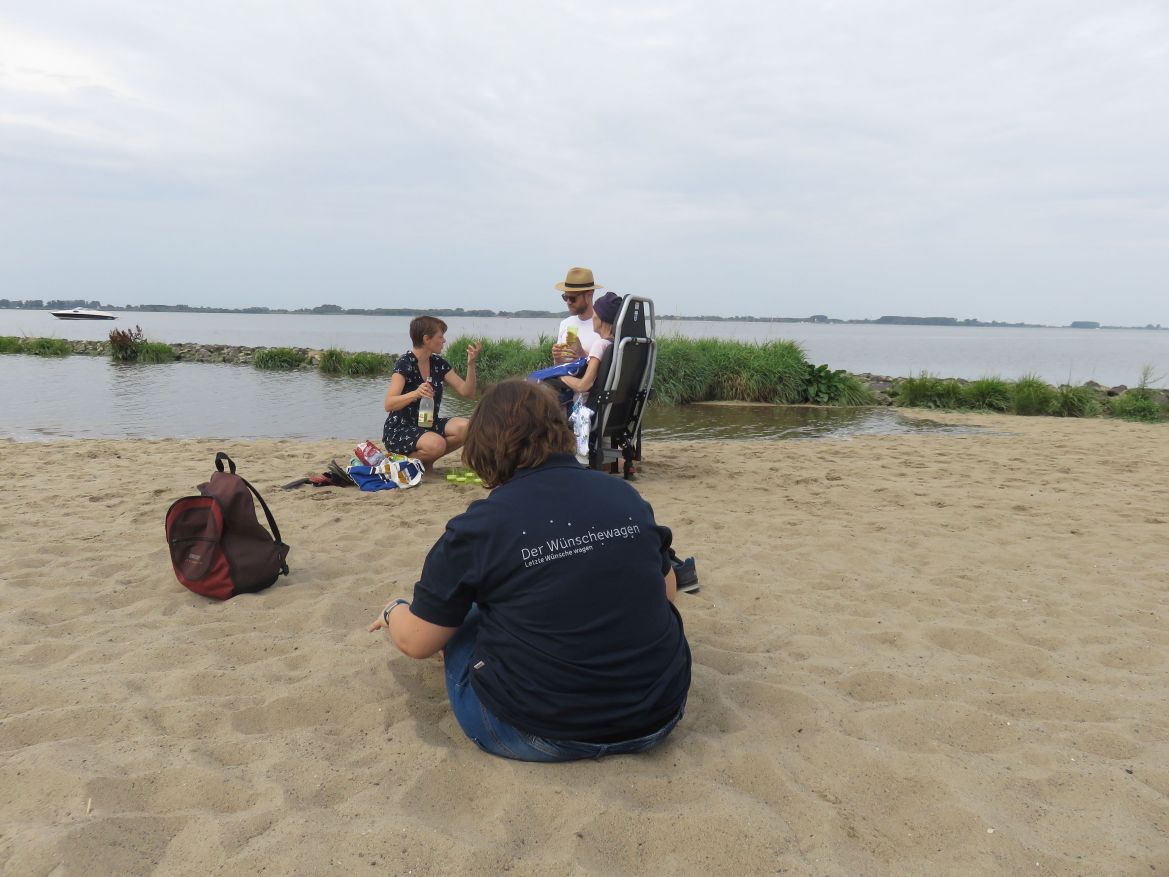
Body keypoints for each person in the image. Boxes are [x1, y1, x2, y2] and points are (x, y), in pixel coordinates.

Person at [367, 379, 691, 762]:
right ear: (561, 431)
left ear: (484, 446)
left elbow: (418, 642)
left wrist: (394, 611)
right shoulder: (623, 496)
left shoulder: (480, 526)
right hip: (658, 713)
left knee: (467, 617)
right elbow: (667, 589)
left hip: (537, 730)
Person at [382, 316, 481, 468]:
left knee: (468, 427)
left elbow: (467, 392)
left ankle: (425, 461)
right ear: (427, 339)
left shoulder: (438, 363)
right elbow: (389, 404)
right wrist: (416, 393)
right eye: (440, 337)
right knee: (437, 444)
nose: (444, 341)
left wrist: (471, 365)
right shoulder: (405, 363)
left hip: (428, 423)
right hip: (401, 428)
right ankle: (403, 463)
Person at [560, 290, 621, 399]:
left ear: (601, 319)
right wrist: (581, 353)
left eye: (594, 313)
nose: (592, 317)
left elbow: (583, 385)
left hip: (585, 407)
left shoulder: (600, 345)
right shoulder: (616, 345)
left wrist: (559, 376)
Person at [552, 267, 602, 365]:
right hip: (565, 378)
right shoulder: (565, 324)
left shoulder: (602, 326)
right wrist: (557, 358)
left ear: (589, 295)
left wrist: (581, 353)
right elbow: (558, 366)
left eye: (572, 298)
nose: (568, 302)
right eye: (565, 297)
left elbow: (605, 370)